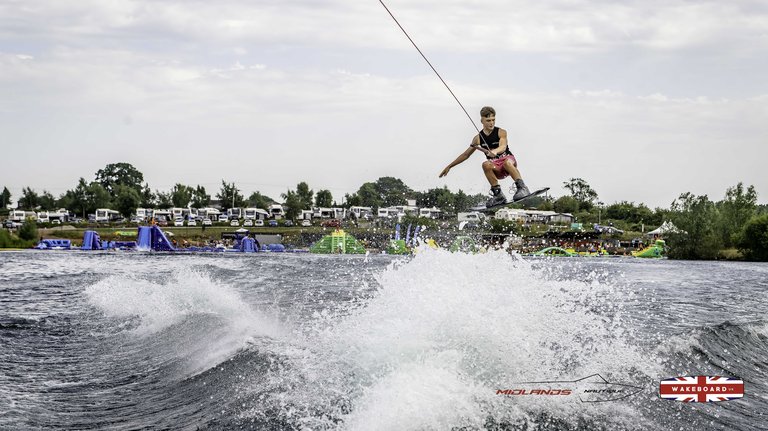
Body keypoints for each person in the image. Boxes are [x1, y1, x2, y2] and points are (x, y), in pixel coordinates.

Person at [439, 106, 530, 207]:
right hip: (497, 168)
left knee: (506, 163)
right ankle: (498, 195)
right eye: (488, 120)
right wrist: (449, 166)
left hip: (509, 163)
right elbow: (465, 155)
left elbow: (503, 146)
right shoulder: (478, 139)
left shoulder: (501, 132)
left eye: (493, 120)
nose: (491, 123)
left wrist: (495, 151)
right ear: (482, 120)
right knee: (485, 164)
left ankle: (522, 188)